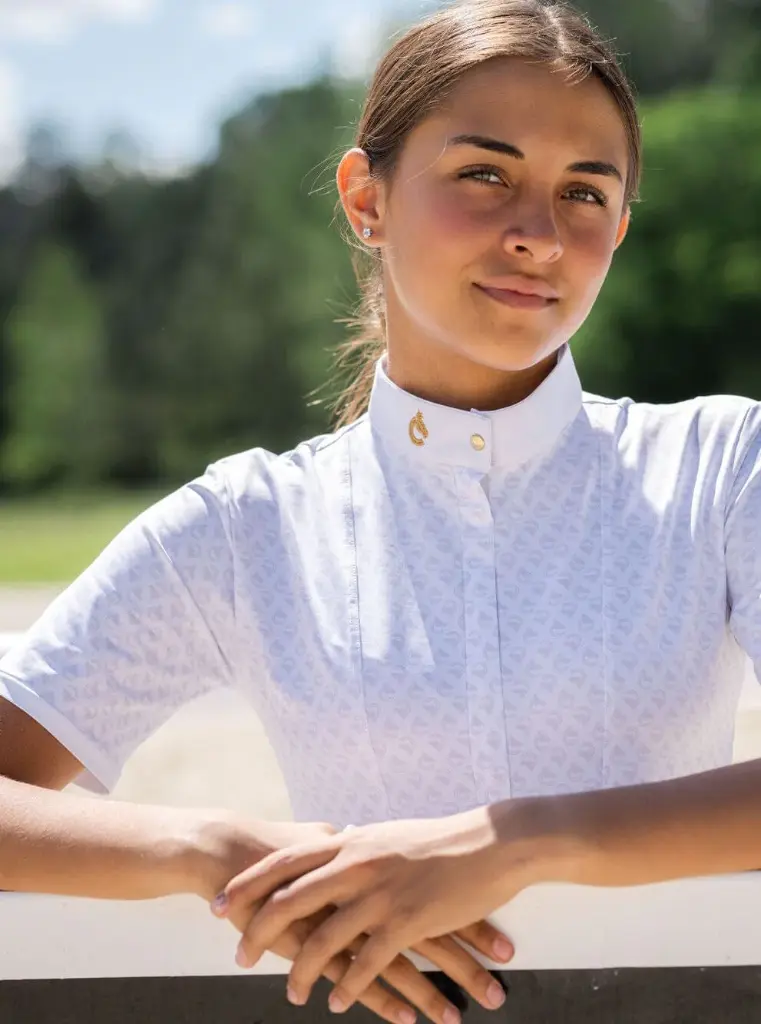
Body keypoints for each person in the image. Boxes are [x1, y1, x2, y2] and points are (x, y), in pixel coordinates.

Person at [2, 0, 760, 1019]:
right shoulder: (245, 525)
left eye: (584, 192)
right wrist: (214, 849)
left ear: (617, 230)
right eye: (482, 174)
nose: (536, 234)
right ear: (366, 197)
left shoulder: (721, 466)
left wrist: (513, 838)